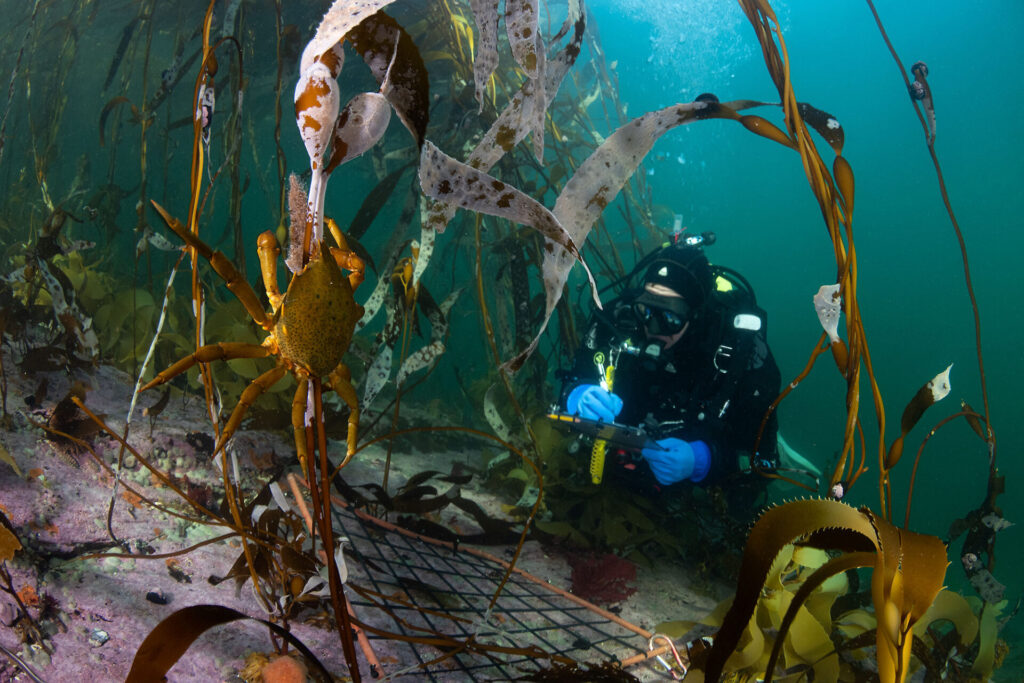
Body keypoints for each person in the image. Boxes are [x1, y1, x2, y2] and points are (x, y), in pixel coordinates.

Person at [558, 232, 782, 502]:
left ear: (695, 316)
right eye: (647, 311)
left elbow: (763, 464)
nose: (652, 329)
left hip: (694, 483)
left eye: (669, 318)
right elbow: (575, 376)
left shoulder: (740, 354)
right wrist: (576, 395)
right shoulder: (621, 321)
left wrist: (704, 459)